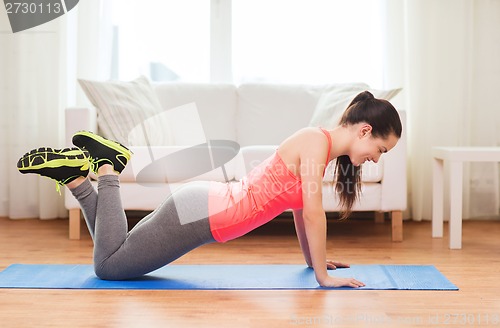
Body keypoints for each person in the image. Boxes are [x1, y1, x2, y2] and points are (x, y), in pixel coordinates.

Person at [17, 91, 401, 288]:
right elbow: (315, 214)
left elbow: (301, 212)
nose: (376, 159)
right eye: (380, 150)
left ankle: (75, 177)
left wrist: (314, 262)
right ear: (365, 130)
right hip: (201, 216)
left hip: (202, 208)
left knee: (114, 251)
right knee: (108, 267)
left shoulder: (318, 146)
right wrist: (322, 278)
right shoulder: (315, 143)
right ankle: (106, 168)